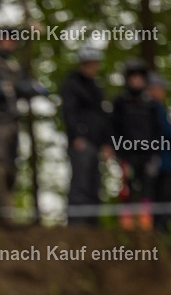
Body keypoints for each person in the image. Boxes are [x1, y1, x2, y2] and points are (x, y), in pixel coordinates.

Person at [0, 27, 47, 229]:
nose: (8, 44)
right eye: (4, 40)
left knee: (12, 168)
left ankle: (10, 212)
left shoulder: (16, 67)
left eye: (11, 40)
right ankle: (3, 217)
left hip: (14, 121)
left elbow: (30, 89)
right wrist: (20, 88)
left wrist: (19, 88)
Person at [61, 46, 111, 227]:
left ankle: (92, 224)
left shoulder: (96, 88)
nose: (92, 68)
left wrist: (106, 142)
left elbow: (102, 116)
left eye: (94, 64)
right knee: (80, 181)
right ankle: (77, 224)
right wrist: (76, 135)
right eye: (88, 64)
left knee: (94, 182)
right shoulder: (72, 84)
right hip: (81, 141)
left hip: (96, 143)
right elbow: (69, 112)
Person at [111, 58, 162, 231]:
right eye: (133, 77)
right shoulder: (120, 103)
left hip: (147, 154)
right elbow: (114, 128)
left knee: (147, 185)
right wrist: (118, 152)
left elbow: (157, 130)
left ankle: (146, 223)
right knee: (127, 186)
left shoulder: (150, 105)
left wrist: (155, 153)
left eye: (140, 78)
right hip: (126, 153)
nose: (136, 81)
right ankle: (126, 224)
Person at [147, 72, 171, 233]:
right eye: (161, 88)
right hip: (161, 163)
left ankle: (162, 230)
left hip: (161, 162)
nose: (163, 92)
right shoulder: (155, 109)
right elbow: (168, 133)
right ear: (153, 89)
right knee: (163, 197)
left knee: (163, 197)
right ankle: (162, 231)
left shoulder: (157, 109)